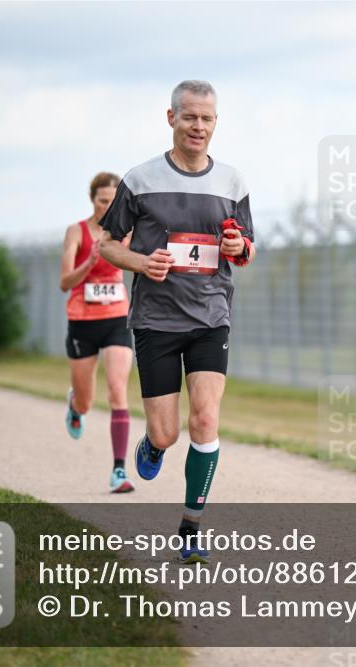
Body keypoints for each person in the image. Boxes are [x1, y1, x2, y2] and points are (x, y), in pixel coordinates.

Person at [98, 80, 255, 563]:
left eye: (207, 118)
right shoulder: (140, 179)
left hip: (211, 316)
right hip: (156, 320)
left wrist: (237, 248)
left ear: (216, 123)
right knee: (167, 434)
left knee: (206, 418)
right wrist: (142, 264)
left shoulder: (233, 182)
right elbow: (106, 244)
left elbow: (247, 248)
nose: (198, 126)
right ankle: (153, 442)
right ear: (171, 119)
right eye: (190, 117)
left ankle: (191, 525)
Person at [60, 171, 136, 494]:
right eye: (103, 201)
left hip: (117, 317)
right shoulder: (76, 232)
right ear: (93, 200)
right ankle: (75, 406)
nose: (108, 206)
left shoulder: (125, 232)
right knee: (87, 400)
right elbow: (65, 282)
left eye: (113, 200)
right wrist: (89, 263)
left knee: (118, 389)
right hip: (82, 320)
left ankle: (119, 470)